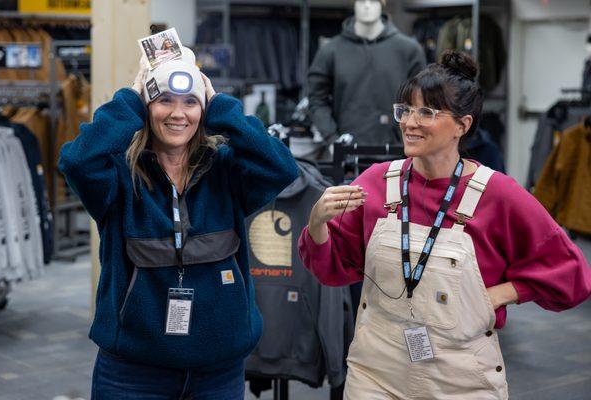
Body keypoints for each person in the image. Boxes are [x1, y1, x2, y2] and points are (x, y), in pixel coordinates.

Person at [298, 51, 591, 399]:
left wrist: (495, 297)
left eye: (427, 112)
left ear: (462, 125)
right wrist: (317, 225)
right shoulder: (376, 182)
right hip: (375, 373)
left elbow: (571, 273)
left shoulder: (497, 193)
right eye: (405, 109)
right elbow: (334, 270)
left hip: (461, 379)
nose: (409, 122)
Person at [59, 46, 298, 399]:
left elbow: (281, 167)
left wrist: (221, 105)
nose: (178, 114)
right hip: (132, 372)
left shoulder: (227, 171)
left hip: (218, 372)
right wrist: (130, 98)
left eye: (190, 102)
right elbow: (77, 161)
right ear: (146, 106)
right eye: (164, 100)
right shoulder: (118, 178)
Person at [307, 0, 425, 152]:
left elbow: (422, 100)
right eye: (361, 0)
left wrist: (411, 137)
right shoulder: (331, 50)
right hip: (347, 153)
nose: (367, 5)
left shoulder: (409, 49)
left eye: (373, 0)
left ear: (382, 3)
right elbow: (316, 99)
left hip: (398, 151)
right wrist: (332, 139)